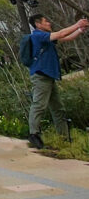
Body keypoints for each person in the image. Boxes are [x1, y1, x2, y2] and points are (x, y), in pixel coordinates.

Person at [27, 12, 88, 149]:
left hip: (49, 76)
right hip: (41, 76)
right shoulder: (38, 36)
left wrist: (79, 30)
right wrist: (77, 24)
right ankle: (33, 134)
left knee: (58, 108)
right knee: (39, 105)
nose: (49, 23)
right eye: (46, 21)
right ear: (38, 24)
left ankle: (64, 138)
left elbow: (66, 38)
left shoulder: (46, 38)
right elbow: (60, 34)